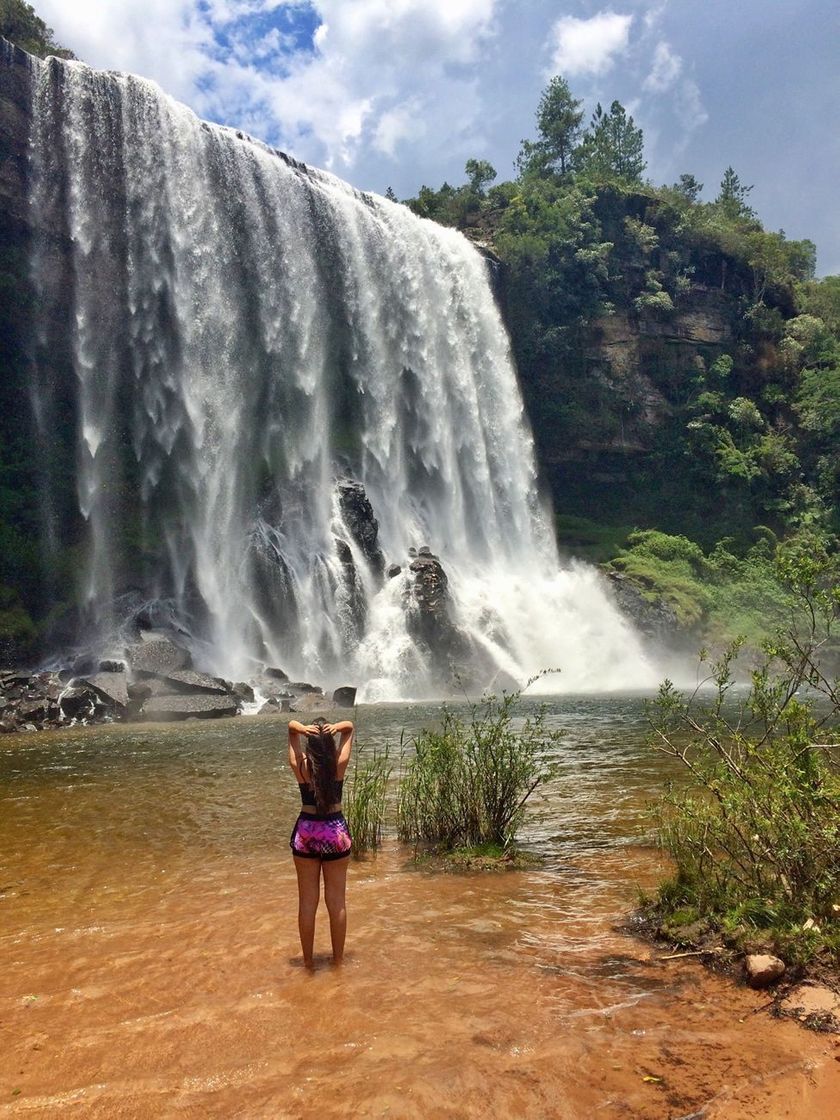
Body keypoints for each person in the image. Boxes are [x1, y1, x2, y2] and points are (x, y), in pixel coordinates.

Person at [287, 717, 354, 968]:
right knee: (336, 902)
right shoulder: (338, 765)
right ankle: (337, 962)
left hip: (306, 832)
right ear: (330, 744)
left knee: (307, 903)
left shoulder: (302, 767)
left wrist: (301, 730)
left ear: (310, 745)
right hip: (334, 831)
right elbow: (350, 729)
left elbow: (290, 730)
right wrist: (337, 728)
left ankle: (307, 963)